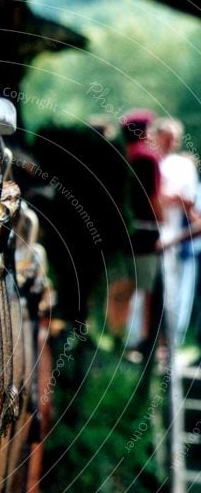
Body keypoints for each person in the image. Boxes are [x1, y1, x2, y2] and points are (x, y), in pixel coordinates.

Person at [108, 109, 164, 356]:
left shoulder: (118, 154)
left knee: (122, 288)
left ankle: (116, 337)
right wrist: (161, 219)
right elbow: (152, 195)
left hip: (121, 230)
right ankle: (145, 340)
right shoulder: (147, 157)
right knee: (147, 288)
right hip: (145, 230)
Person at [152, 117, 199, 347]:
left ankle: (168, 344)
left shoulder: (183, 165)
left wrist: (171, 198)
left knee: (173, 295)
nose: (171, 142)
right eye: (166, 136)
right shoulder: (149, 160)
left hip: (173, 239)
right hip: (150, 234)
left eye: (175, 138)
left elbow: (188, 200)